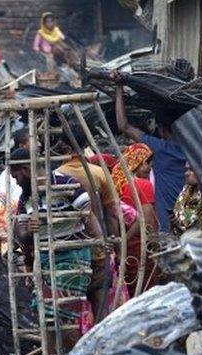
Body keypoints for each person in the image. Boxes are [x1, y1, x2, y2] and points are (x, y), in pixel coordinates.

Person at [11, 148, 99, 340]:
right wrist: (29, 230)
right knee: (46, 320)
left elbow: (89, 217)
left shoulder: (66, 184)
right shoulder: (26, 197)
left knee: (66, 317)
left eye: (16, 176)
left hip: (71, 258)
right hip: (43, 261)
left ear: (26, 170)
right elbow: (22, 234)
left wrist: (103, 250)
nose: (16, 182)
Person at [54, 131, 121, 320]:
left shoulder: (57, 176)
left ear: (63, 147)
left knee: (68, 313)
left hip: (69, 251)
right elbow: (112, 213)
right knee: (101, 309)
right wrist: (114, 245)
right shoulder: (99, 173)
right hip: (98, 248)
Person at [113, 73, 187, 231]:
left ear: (161, 129)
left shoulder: (162, 148)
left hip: (167, 223)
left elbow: (124, 126)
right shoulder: (196, 150)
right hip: (188, 220)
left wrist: (119, 88)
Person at [109, 144, 159, 295]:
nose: (150, 169)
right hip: (140, 246)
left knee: (130, 291)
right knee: (147, 292)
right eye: (148, 164)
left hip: (124, 248)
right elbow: (148, 221)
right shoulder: (143, 185)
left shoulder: (117, 184)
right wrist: (156, 247)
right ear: (141, 162)